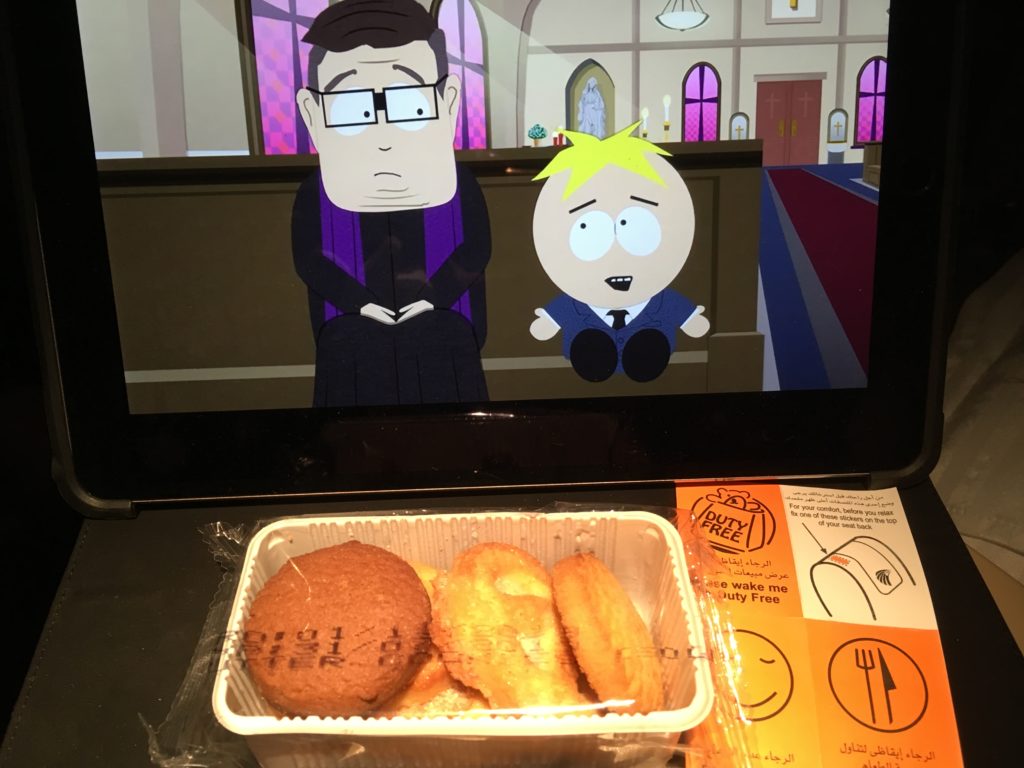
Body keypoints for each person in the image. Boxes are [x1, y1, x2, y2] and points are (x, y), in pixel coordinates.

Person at [293, 0, 490, 407]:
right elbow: (311, 262)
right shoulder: (316, 192)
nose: (383, 136)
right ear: (312, 114)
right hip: (351, 343)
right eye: (352, 109)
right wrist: (362, 305)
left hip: (446, 338)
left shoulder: (460, 185)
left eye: (409, 106)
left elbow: (475, 250)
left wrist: (431, 299)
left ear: (449, 102)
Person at [529, 122, 710, 383]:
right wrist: (548, 321)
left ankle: (646, 354)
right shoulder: (576, 302)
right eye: (589, 230)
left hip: (650, 352)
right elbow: (558, 314)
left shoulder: (660, 299)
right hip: (590, 351)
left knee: (649, 346)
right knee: (590, 345)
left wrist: (690, 319)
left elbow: (678, 309)